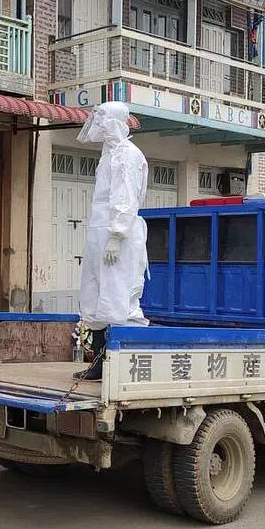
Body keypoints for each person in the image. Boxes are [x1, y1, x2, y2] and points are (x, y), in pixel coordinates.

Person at [73, 102, 150, 381]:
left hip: (119, 235)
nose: (99, 126)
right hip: (99, 231)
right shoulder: (108, 155)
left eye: (104, 120)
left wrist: (117, 235)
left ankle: (125, 364)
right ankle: (99, 363)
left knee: (119, 294)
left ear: (117, 122)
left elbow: (126, 197)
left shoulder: (129, 155)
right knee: (95, 295)